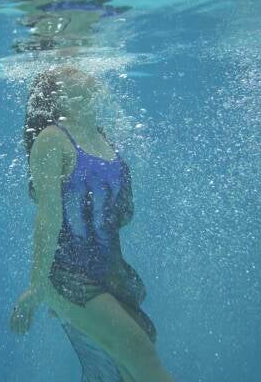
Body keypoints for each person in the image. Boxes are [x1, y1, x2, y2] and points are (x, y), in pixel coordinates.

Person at [9, 64, 175, 382]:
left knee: (129, 367)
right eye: (69, 72)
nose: (81, 70)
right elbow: (48, 217)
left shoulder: (101, 136)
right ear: (56, 97)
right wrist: (37, 287)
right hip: (67, 274)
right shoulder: (52, 140)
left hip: (109, 270)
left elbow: (120, 215)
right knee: (142, 356)